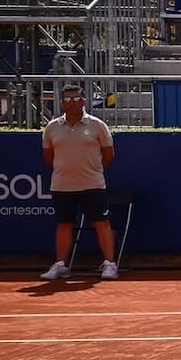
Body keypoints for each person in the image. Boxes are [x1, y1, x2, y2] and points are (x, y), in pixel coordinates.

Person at [39, 86, 117, 281]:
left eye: (76, 99)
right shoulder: (52, 128)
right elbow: (48, 156)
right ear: (61, 103)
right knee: (64, 224)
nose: (72, 103)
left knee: (101, 223)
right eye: (67, 99)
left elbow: (108, 154)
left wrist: (92, 170)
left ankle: (110, 264)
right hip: (62, 185)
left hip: (93, 184)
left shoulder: (98, 125)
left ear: (83, 101)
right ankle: (61, 265)